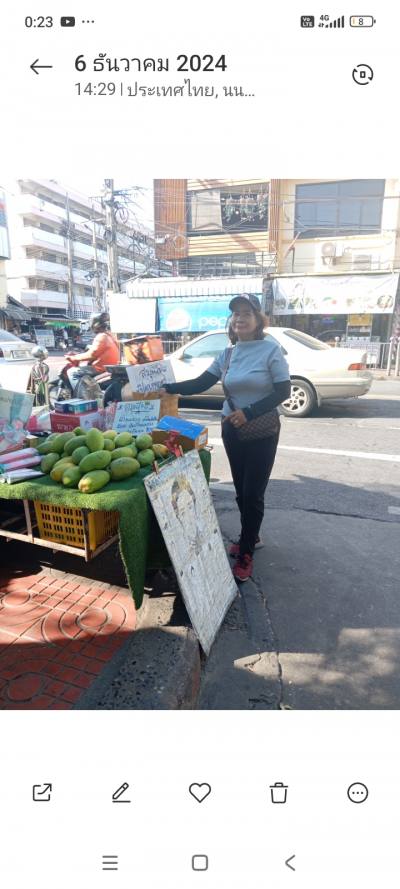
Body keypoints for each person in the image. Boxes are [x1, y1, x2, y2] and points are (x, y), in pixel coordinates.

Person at [160, 294, 291, 582]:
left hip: (262, 430)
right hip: (231, 428)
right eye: (236, 314)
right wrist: (166, 386)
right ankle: (251, 536)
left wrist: (250, 411)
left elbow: (283, 391)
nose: (240, 318)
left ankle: (246, 551)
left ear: (258, 320)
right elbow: (202, 382)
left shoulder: (271, 351)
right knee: (241, 489)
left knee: (253, 493)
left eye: (247, 313)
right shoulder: (228, 354)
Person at [66, 312, 120, 391]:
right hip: (109, 368)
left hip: (100, 369)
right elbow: (97, 350)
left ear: (95, 324)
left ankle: (82, 396)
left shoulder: (101, 336)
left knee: (72, 372)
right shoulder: (110, 336)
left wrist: (74, 358)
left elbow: (91, 354)